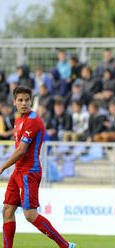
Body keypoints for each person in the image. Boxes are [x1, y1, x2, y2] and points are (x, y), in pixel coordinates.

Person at [0, 86, 76, 248]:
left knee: (30, 214)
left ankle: (65, 245)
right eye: (20, 100)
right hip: (18, 171)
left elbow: (21, 150)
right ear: (14, 102)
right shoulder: (18, 119)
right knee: (7, 210)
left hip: (29, 172)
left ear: (31, 101)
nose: (24, 103)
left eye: (27, 100)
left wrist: (2, 167)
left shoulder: (33, 120)